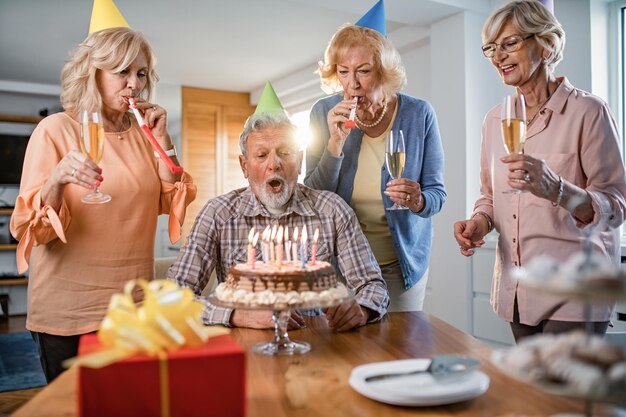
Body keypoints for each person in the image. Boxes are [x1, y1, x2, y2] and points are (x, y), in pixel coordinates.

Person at [10, 27, 196, 381]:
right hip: (68, 312)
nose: (134, 84)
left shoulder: (146, 135)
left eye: (140, 73)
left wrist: (164, 141)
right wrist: (55, 181)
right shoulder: (55, 130)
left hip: (131, 308)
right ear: (93, 73)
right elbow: (33, 231)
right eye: (122, 71)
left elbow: (169, 201)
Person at [453, 0, 626, 342]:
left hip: (575, 291)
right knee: (535, 395)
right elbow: (490, 197)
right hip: (517, 288)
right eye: (491, 47)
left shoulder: (588, 112)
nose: (497, 56)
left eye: (510, 43)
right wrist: (480, 222)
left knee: (563, 395)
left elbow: (616, 207)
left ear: (546, 44)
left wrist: (557, 190)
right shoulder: (494, 120)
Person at [167, 111, 389, 331]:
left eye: (285, 153)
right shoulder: (218, 214)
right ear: (244, 166)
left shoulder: (332, 210)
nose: (274, 164)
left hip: (314, 341)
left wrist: (362, 309)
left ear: (300, 161)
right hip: (242, 343)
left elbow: (372, 285)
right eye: (262, 155)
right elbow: (173, 296)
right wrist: (235, 315)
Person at [304, 19, 446, 312]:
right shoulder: (323, 113)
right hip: (341, 264)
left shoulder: (419, 114)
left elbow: (436, 196)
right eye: (343, 72)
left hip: (399, 264)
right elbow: (313, 198)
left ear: (384, 72)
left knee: (396, 348)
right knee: (344, 351)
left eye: (364, 72)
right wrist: (334, 143)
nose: (352, 84)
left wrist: (418, 199)